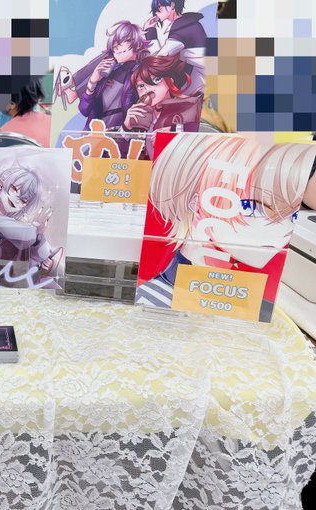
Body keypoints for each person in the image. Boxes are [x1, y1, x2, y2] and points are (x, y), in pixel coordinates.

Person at [135, 135, 316, 321]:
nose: (283, 229)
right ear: (197, 202)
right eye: (253, 207)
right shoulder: (151, 300)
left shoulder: (254, 306)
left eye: (291, 215)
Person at [73, 21, 150, 131]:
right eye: (114, 44)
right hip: (95, 134)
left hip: (122, 134)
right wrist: (93, 82)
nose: (116, 47)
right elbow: (84, 110)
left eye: (121, 41)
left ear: (137, 44)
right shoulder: (108, 73)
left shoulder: (141, 73)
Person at [123, 54, 203, 133]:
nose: (147, 89)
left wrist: (171, 133)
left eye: (156, 80)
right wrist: (126, 127)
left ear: (170, 81)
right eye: (141, 86)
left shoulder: (187, 108)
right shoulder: (142, 114)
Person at [143, 0, 207, 95]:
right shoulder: (188, 23)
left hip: (202, 80)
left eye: (159, 8)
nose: (156, 13)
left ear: (172, 5)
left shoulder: (183, 28)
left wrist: (150, 32)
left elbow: (159, 59)